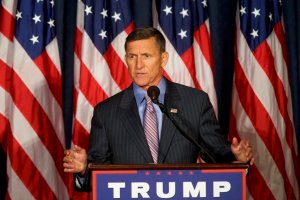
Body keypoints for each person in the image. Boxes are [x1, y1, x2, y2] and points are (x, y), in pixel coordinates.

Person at [63, 27, 254, 187]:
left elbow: (216, 154)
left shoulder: (195, 102)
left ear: (163, 58)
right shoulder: (106, 112)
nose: (138, 65)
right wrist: (84, 169)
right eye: (132, 56)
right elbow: (98, 177)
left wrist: (236, 156)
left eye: (146, 56)